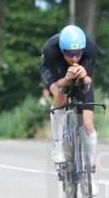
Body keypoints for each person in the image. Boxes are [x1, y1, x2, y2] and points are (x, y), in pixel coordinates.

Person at [40, 24, 99, 172]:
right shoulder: (51, 50)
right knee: (60, 95)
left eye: (78, 54)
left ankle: (91, 168)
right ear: (62, 50)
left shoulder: (90, 48)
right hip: (55, 73)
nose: (74, 59)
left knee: (88, 124)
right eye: (69, 54)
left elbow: (88, 82)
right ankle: (58, 143)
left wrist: (84, 75)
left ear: (83, 50)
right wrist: (67, 78)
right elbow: (59, 84)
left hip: (80, 76)